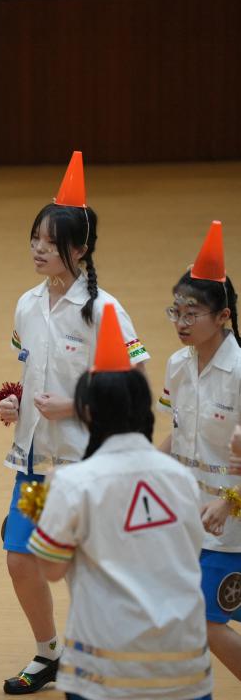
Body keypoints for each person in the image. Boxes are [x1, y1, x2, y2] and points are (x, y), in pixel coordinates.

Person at [0, 152, 149, 694]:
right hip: (36, 465)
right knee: (21, 559)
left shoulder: (104, 311)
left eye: (50, 241)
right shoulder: (26, 305)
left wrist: (76, 406)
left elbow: (135, 388)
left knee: (90, 566)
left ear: (80, 249)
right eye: (34, 238)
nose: (38, 249)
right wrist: (15, 405)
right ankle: (49, 654)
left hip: (88, 466)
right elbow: (31, 371)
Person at [29, 303, 212, 700]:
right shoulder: (181, 478)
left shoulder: (73, 483)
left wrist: (44, 502)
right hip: (186, 669)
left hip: (104, 671)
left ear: (87, 412)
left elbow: (51, 568)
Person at [158, 220, 241, 680]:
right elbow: (178, 431)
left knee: (208, 623)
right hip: (192, 520)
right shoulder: (177, 365)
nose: (181, 322)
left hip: (232, 526)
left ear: (223, 316)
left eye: (192, 314)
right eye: (176, 311)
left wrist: (229, 501)